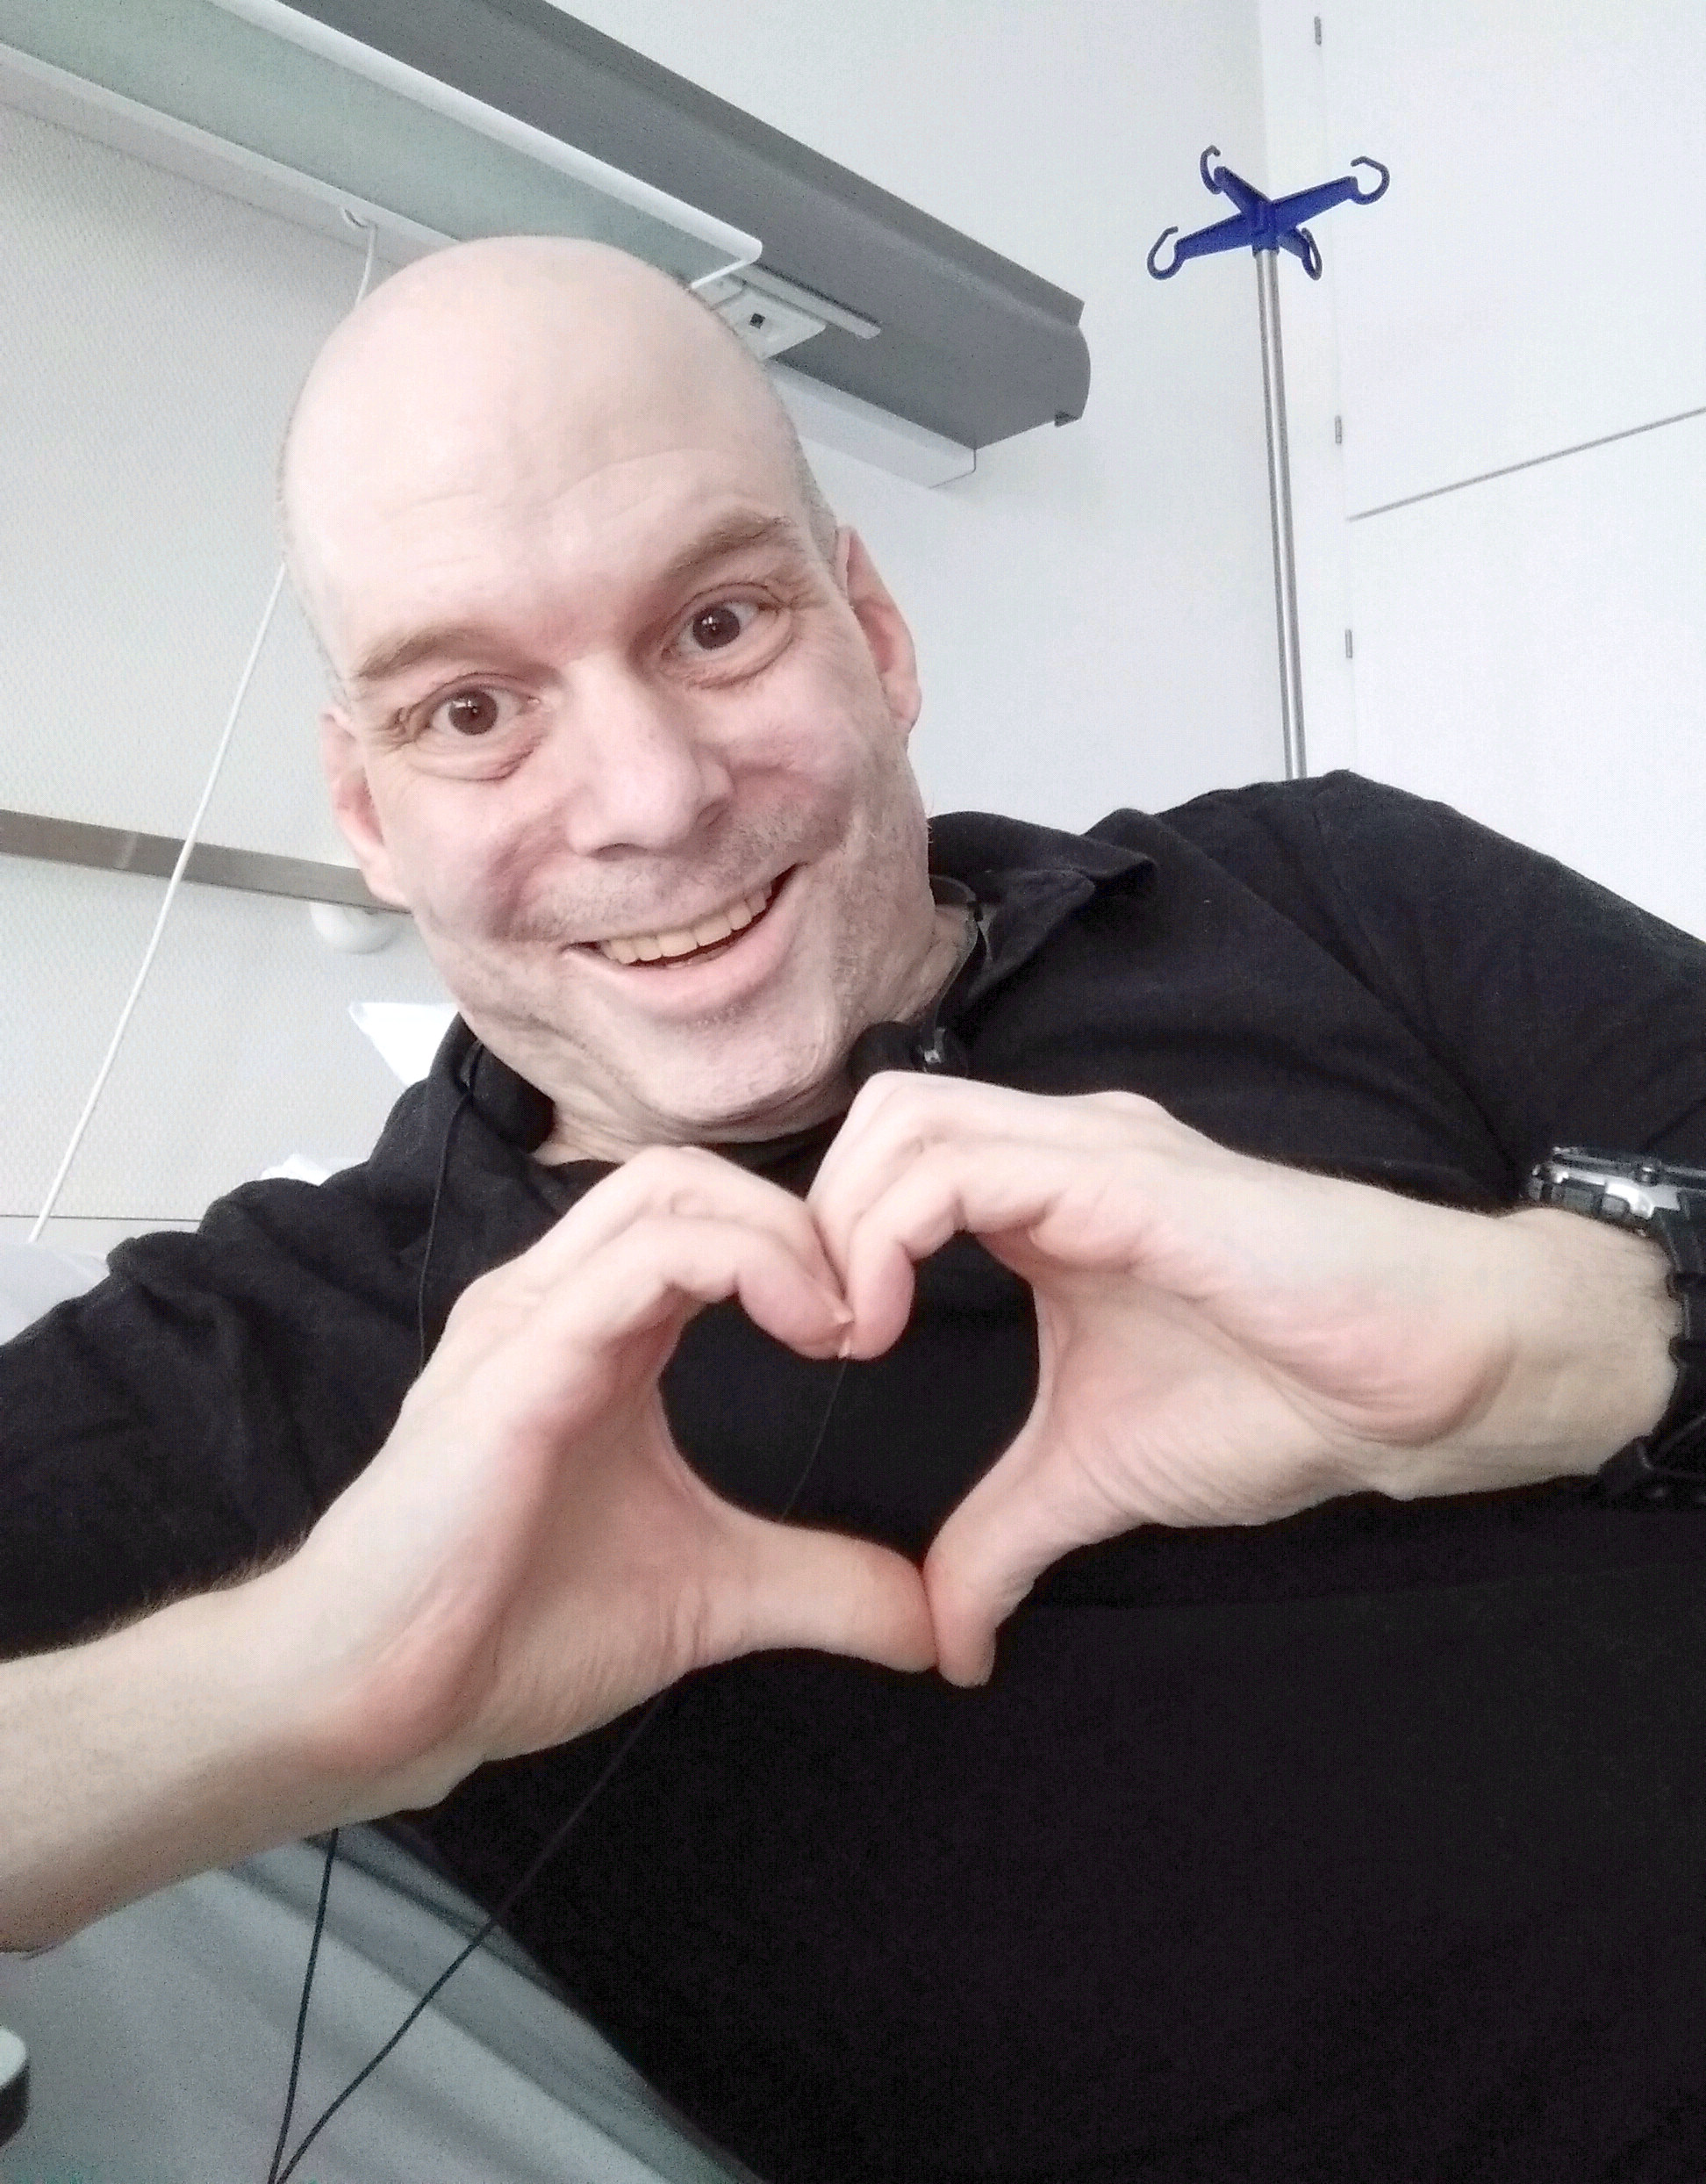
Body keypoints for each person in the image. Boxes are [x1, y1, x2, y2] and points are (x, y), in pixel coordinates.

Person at [3, 236, 1704, 2182]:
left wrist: (1545, 1344)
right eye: (470, 711)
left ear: (873, 634)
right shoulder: (288, 1351)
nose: (648, 798)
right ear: (372, 813)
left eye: (717, 623)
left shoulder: (1326, 885)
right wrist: (302, 1690)